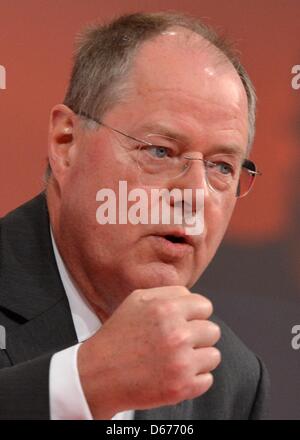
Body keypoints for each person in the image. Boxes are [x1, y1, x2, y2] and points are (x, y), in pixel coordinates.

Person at [0, 12, 269, 420]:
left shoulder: (230, 378)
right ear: (66, 142)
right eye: (161, 151)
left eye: (221, 167)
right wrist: (80, 386)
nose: (195, 195)